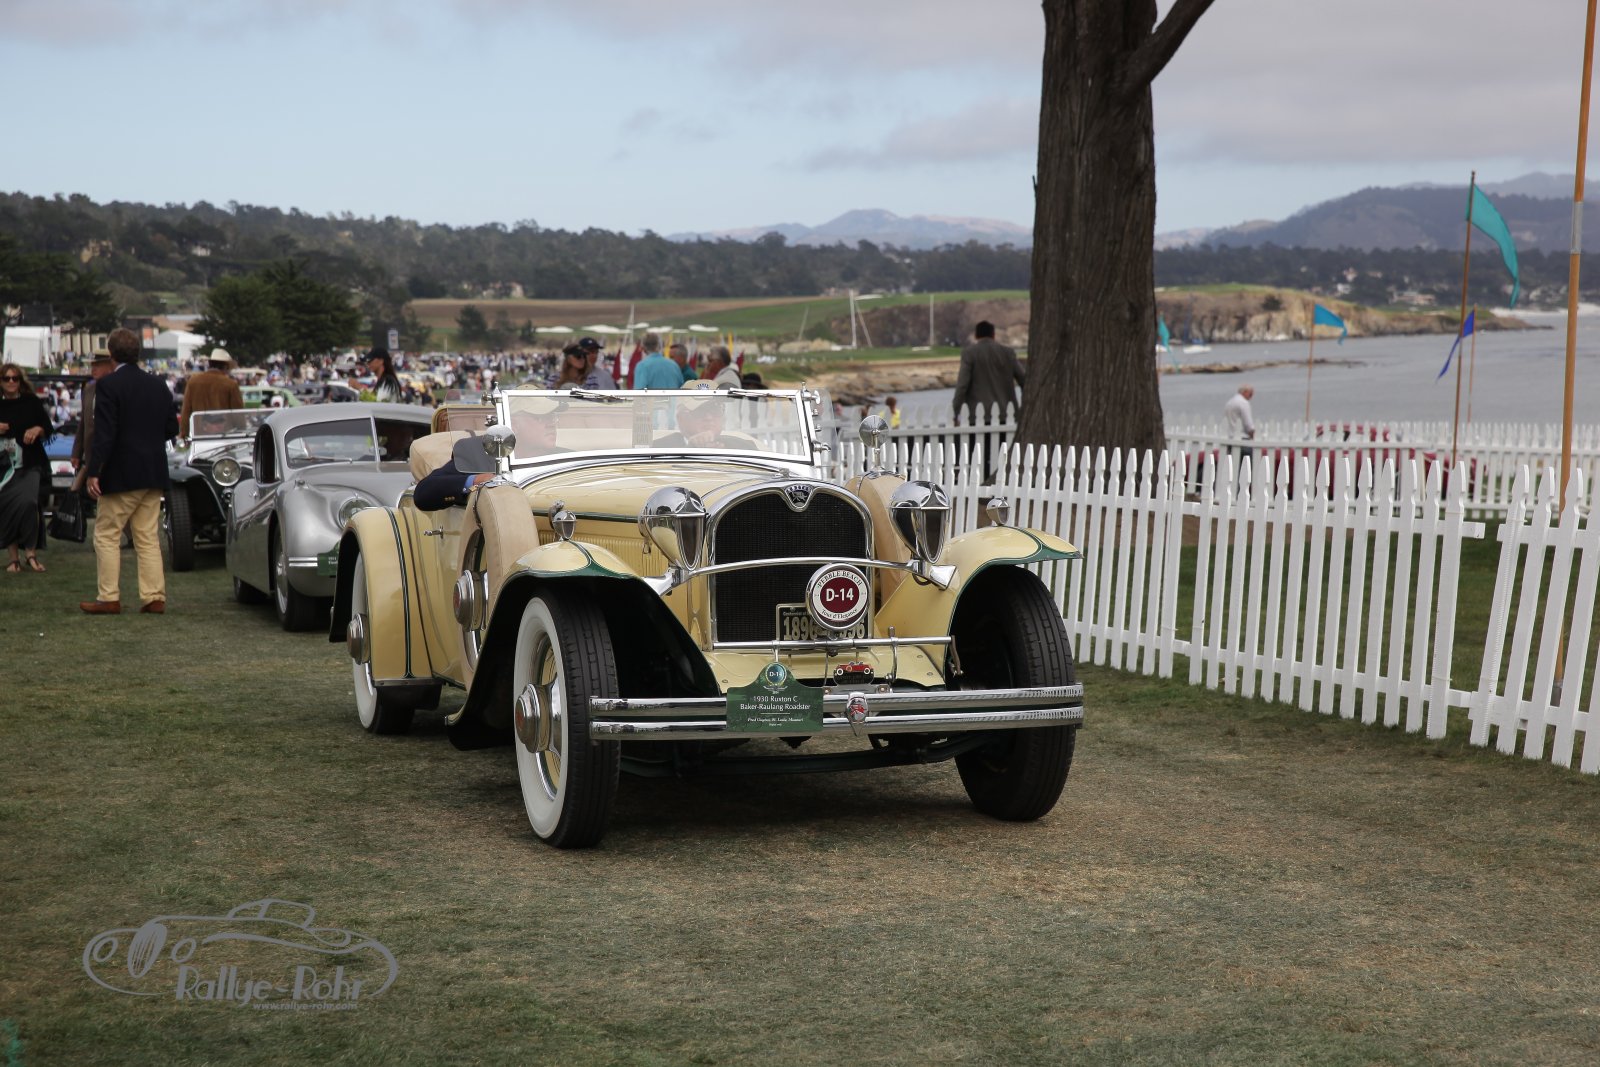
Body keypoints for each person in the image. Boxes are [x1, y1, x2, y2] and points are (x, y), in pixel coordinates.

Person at [81, 328, 180, 614]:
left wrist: (94, 470)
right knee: (147, 536)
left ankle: (108, 597)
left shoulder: (109, 386)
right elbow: (171, 428)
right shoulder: (158, 384)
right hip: (153, 469)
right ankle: (154, 596)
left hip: (122, 471)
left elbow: (105, 433)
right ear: (138, 353)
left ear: (111, 354)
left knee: (106, 534)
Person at [414, 402, 562, 511]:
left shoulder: (564, 457)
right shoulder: (477, 452)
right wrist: (477, 480)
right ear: (514, 424)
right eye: (542, 418)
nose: (552, 424)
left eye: (553, 417)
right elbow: (424, 493)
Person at [0, 363, 52, 573]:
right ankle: (13, 559)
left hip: (30, 463)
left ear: (20, 381)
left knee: (29, 503)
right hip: (4, 466)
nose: (11, 382)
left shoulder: (31, 402)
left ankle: (31, 553)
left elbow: (47, 427)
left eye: (15, 378)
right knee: (7, 506)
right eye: (7, 378)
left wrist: (37, 429)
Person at [952, 320, 1025, 426]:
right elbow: (1024, 380)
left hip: (977, 416)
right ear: (993, 335)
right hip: (1007, 415)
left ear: (976, 336)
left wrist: (955, 412)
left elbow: (962, 385)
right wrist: (1024, 407)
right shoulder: (1008, 353)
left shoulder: (969, 354)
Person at [71, 352, 116, 492]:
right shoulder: (89, 389)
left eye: (98, 365)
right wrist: (77, 452)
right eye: (92, 365)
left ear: (110, 366)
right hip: (91, 453)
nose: (93, 369)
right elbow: (83, 423)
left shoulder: (117, 388)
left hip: (112, 455)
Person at [177, 347, 243, 436]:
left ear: (210, 364)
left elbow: (186, 411)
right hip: (224, 435)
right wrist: (242, 432)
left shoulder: (193, 381)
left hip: (198, 435)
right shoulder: (230, 384)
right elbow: (238, 414)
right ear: (225, 367)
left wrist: (184, 434)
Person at [1224, 384, 1256, 459]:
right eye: (1250, 394)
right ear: (1245, 392)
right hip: (1243, 439)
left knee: (1232, 462)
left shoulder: (1230, 402)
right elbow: (1248, 424)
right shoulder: (1244, 403)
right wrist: (1253, 436)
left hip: (1230, 438)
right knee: (1247, 463)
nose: (1251, 397)